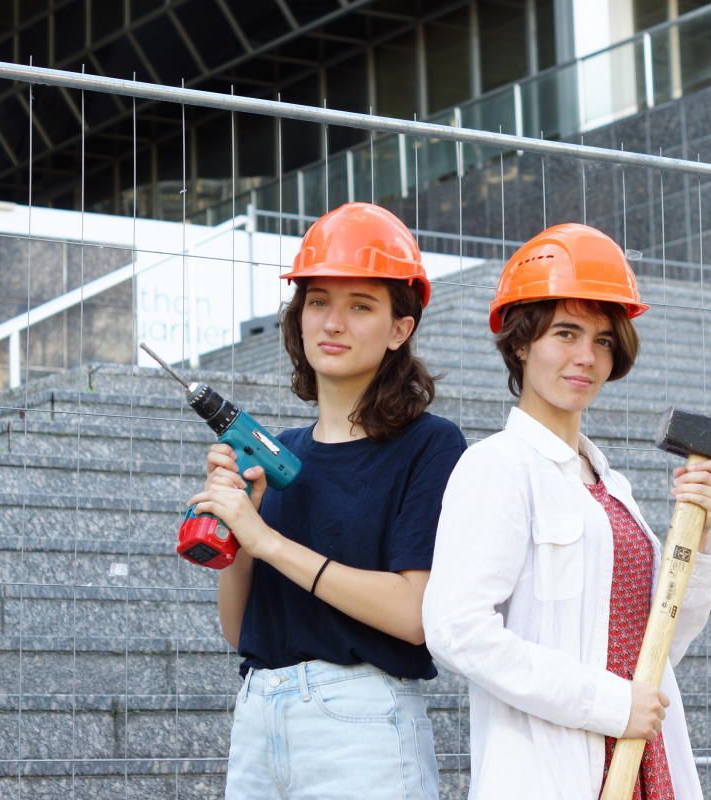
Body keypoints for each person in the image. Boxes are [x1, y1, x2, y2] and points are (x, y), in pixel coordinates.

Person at [422, 223, 711, 800]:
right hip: (552, 770)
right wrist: (608, 703)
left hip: (645, 762)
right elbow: (455, 630)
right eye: (565, 333)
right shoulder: (497, 466)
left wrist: (701, 530)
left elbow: (661, 643)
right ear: (520, 342)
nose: (586, 357)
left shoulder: (612, 487)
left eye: (603, 340)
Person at [187, 202, 466, 800]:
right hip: (259, 713)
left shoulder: (430, 445)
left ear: (400, 329)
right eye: (318, 302)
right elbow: (238, 630)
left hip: (361, 725)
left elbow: (414, 614)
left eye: (360, 305)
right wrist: (238, 527)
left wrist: (267, 541)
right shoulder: (278, 453)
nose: (332, 323)